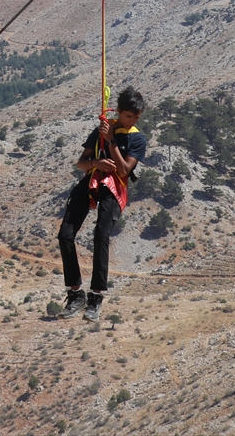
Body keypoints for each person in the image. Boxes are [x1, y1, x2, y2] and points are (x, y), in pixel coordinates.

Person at [57, 86, 147, 322]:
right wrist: (97, 161)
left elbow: (125, 169)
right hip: (92, 181)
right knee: (65, 235)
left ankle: (96, 296)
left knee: (100, 236)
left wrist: (111, 141)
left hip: (114, 188)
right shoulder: (101, 131)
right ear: (118, 111)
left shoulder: (137, 138)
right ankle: (75, 293)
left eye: (137, 117)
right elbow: (81, 163)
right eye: (129, 116)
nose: (132, 120)